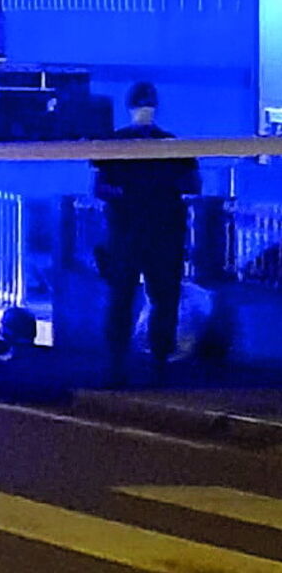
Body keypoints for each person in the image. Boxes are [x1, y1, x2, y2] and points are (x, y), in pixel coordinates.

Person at [93, 81, 200, 386]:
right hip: (137, 230)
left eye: (148, 103)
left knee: (158, 297)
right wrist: (147, 193)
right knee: (127, 297)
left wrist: (138, 193)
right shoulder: (122, 143)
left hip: (153, 231)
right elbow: (101, 186)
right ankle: (124, 362)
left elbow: (192, 183)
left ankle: (155, 360)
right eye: (143, 103)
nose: (146, 109)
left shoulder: (168, 144)